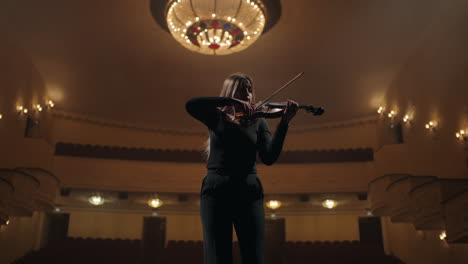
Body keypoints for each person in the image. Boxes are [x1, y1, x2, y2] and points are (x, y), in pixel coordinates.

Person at [185, 72, 298, 264]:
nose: (248, 93)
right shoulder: (216, 116)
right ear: (232, 92)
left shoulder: (259, 120)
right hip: (216, 188)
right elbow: (191, 104)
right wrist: (229, 101)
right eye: (242, 89)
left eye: (250, 89)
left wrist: (284, 123)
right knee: (217, 256)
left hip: (248, 188)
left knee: (253, 254)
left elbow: (269, 157)